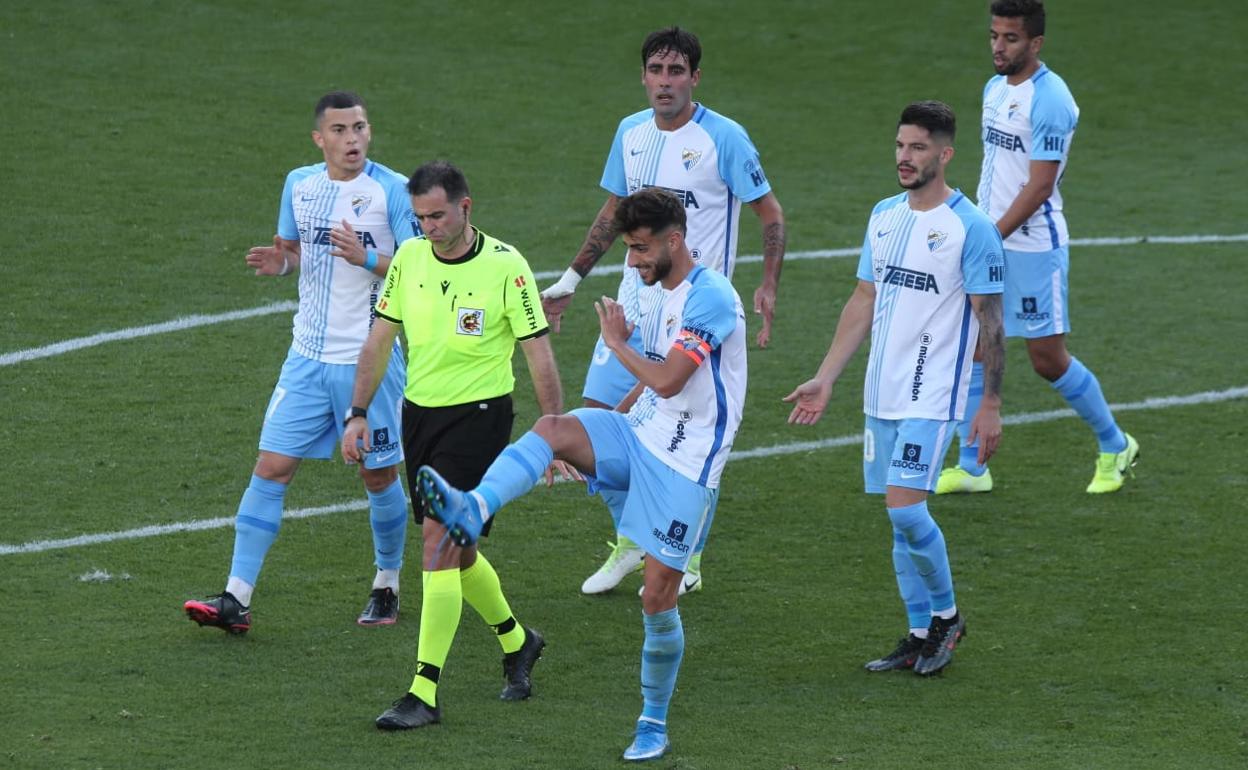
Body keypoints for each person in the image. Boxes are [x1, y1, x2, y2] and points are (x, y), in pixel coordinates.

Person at [412, 188, 747, 760]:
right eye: (628, 250)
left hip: (686, 467)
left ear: (674, 241)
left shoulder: (711, 297)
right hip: (640, 434)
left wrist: (615, 344)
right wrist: (606, 428)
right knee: (555, 429)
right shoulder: (655, 289)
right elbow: (656, 385)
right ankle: (474, 508)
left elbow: (670, 378)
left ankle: (652, 721)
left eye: (641, 250)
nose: (633, 262)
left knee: (658, 599)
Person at [540, 26, 784, 597]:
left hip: (696, 313)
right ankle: (631, 539)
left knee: (693, 434)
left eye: (677, 72)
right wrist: (573, 278)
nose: (665, 82)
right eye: (657, 70)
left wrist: (768, 283)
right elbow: (614, 213)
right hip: (632, 306)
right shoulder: (630, 133)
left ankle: (687, 552)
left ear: (695, 77)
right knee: (599, 419)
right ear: (644, 76)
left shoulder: (725, 138)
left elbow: (769, 213)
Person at [184, 91, 418, 634]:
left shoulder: (392, 191)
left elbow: (416, 271)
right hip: (306, 358)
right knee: (271, 468)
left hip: (370, 359)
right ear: (320, 139)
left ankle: (387, 584)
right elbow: (293, 251)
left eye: (359, 127)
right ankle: (235, 599)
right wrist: (281, 263)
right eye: (339, 130)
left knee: (379, 474)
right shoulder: (300, 185)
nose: (352, 139)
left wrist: (366, 258)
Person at [785, 101, 1005, 676]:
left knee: (907, 512)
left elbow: (991, 321)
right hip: (880, 392)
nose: (905, 158)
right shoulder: (883, 215)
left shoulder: (971, 229)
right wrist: (826, 376)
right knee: (895, 514)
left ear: (945, 154)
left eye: (918, 148)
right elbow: (864, 299)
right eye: (901, 146)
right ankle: (916, 631)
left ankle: (948, 619)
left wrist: (991, 404)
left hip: (933, 395)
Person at [344, 161, 564, 730]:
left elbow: (537, 352)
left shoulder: (506, 266)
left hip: (481, 417)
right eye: (419, 218)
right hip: (421, 417)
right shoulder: (411, 259)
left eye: (437, 215)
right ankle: (519, 642)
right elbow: (379, 340)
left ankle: (424, 691)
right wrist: (358, 413)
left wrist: (555, 430)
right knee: (458, 552)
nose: (428, 228)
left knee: (438, 544)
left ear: (467, 208)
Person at [936, 0, 1138, 495]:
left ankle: (1115, 444)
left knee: (1046, 358)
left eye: (1010, 39)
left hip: (1032, 248)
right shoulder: (994, 89)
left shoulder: (1051, 100)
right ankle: (972, 467)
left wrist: (990, 235)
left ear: (1036, 43)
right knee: (977, 347)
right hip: (993, 235)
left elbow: (1039, 186)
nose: (998, 47)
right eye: (994, 36)